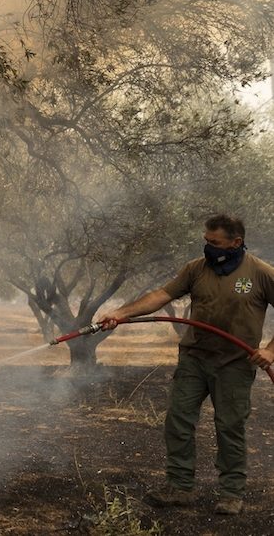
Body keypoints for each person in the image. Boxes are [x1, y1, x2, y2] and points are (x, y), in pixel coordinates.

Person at [96, 214, 274, 516]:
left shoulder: (259, 273)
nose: (208, 247)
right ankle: (180, 488)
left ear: (236, 242)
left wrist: (270, 351)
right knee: (178, 421)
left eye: (214, 243)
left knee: (229, 427)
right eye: (206, 241)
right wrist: (123, 313)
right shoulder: (196, 269)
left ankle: (231, 493)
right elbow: (161, 295)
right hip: (194, 358)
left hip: (234, 363)